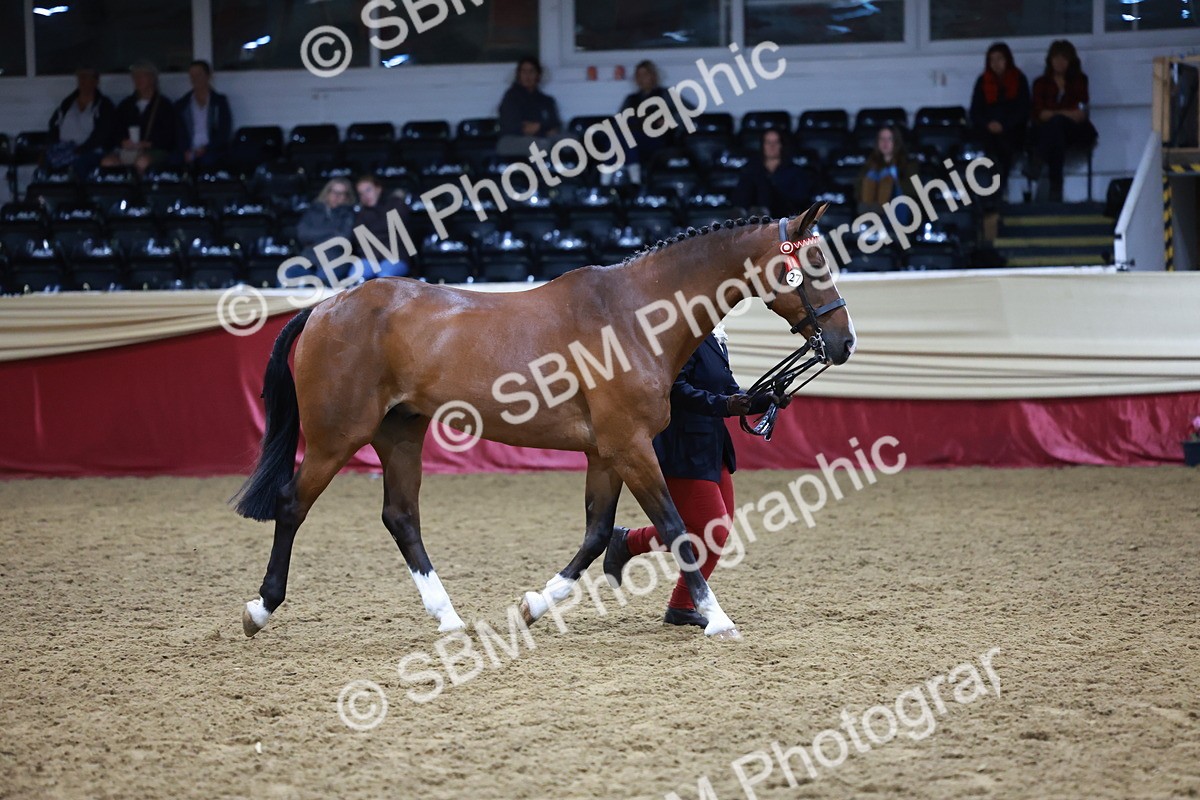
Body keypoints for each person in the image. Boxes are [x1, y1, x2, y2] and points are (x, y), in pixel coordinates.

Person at [603, 327, 784, 629]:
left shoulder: (714, 339)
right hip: (682, 446)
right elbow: (675, 390)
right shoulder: (683, 337)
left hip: (711, 446)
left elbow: (728, 389)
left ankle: (636, 551)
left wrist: (765, 400)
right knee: (713, 528)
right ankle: (675, 597)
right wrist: (723, 406)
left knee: (716, 530)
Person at [1030, 39, 1097, 203]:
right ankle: (1055, 186)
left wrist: (1056, 114)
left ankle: (1037, 161)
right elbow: (1040, 114)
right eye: (1056, 58)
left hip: (1075, 131)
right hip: (1048, 131)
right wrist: (1064, 113)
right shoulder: (1041, 83)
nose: (1059, 63)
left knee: (1057, 125)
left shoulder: (1079, 81)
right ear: (1050, 60)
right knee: (1056, 131)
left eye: (1064, 58)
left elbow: (1079, 115)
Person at [969, 42, 1030, 195]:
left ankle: (998, 189)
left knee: (1005, 144)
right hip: (987, 130)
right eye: (992, 60)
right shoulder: (982, 82)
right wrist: (988, 125)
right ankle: (991, 190)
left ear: (1007, 59)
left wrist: (1005, 125)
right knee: (990, 146)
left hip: (1012, 130)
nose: (996, 64)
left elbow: (1023, 110)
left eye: (1000, 59)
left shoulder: (1019, 79)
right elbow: (975, 111)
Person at [100, 61, 177, 176]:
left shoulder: (164, 106)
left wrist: (147, 144)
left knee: (142, 162)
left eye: (142, 76)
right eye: (135, 77)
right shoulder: (126, 105)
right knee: (107, 162)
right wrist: (123, 141)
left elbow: (169, 136)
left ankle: (138, 192)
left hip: (153, 150)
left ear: (152, 79)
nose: (137, 80)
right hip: (127, 150)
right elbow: (114, 130)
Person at [47, 67, 116, 177]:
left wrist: (82, 149)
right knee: (47, 162)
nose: (82, 81)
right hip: (64, 149)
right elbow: (54, 125)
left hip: (90, 150)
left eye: (86, 77)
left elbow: (103, 133)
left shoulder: (104, 105)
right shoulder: (68, 103)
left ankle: (77, 191)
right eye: (80, 78)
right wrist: (56, 144)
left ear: (95, 81)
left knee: (79, 165)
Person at [618, 60, 679, 178]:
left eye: (645, 74)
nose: (641, 79)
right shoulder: (631, 99)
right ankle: (609, 180)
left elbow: (689, 113)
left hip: (658, 138)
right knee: (620, 136)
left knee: (629, 138)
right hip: (634, 136)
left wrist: (669, 120)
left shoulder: (665, 94)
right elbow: (619, 122)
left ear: (653, 76)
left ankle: (633, 179)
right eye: (638, 75)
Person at [732, 129, 811, 217]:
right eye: (768, 142)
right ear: (763, 145)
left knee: (767, 185)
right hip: (752, 214)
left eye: (776, 142)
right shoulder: (751, 168)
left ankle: (762, 212)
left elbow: (801, 198)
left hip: (783, 214)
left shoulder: (794, 170)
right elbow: (740, 193)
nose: (772, 146)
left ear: (781, 145)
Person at [497, 56, 563, 157]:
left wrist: (538, 127)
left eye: (531, 72)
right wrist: (534, 127)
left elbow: (555, 124)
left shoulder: (546, 100)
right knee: (541, 145)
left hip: (542, 136)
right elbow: (510, 126)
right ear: (519, 75)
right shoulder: (511, 97)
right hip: (512, 140)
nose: (527, 76)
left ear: (538, 75)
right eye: (524, 72)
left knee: (570, 141)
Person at [296, 178, 356, 285]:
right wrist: (332, 231)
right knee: (288, 275)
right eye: (334, 192)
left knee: (322, 279)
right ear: (327, 192)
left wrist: (316, 235)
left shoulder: (350, 214)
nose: (337, 196)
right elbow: (302, 235)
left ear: (347, 197)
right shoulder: (313, 211)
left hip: (336, 259)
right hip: (309, 257)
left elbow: (344, 239)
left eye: (341, 193)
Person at [175, 60, 232, 169]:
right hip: (189, 149)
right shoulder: (182, 105)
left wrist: (206, 149)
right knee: (175, 160)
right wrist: (185, 150)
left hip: (211, 149)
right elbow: (178, 132)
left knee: (209, 160)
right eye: (192, 75)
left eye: (199, 75)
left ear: (208, 76)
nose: (195, 79)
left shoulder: (219, 102)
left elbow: (224, 132)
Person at [353, 174, 410, 279]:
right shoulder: (361, 214)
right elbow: (359, 240)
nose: (365, 196)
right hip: (370, 258)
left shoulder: (396, 204)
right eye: (361, 193)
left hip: (396, 257)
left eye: (368, 190)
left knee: (384, 278)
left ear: (378, 189)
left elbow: (394, 228)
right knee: (354, 278)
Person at [857, 126, 916, 224]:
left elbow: (912, 191)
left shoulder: (909, 164)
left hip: (898, 209)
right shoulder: (869, 165)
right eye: (882, 139)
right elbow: (858, 191)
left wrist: (895, 179)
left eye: (889, 139)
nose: (885, 143)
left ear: (896, 142)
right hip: (874, 208)